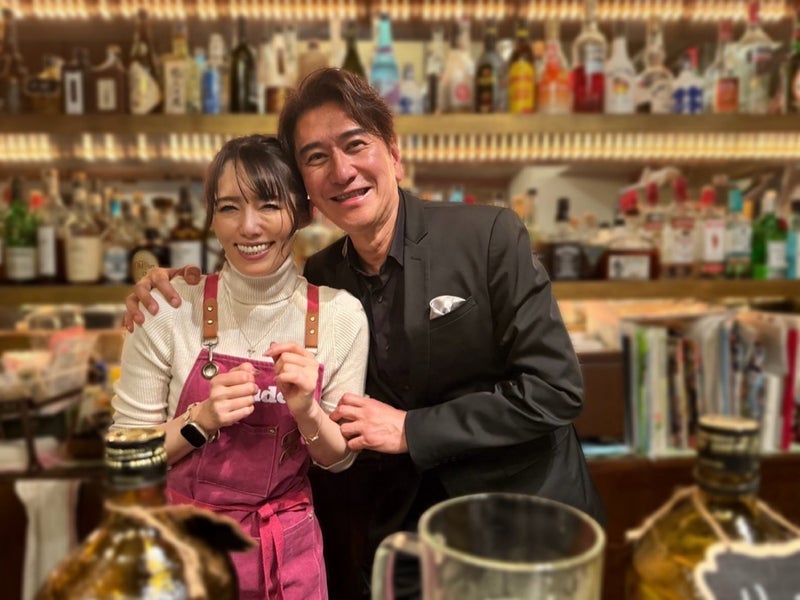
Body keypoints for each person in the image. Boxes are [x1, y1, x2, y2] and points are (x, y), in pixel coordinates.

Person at [123, 68, 605, 599]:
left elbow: (555, 389)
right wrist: (178, 288)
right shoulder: (322, 280)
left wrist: (411, 429)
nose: (342, 170)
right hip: (400, 540)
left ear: (393, 153)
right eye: (316, 157)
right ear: (306, 193)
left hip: (521, 522)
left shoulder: (487, 235)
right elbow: (255, 287)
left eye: (355, 144)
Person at [111, 134, 369, 600]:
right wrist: (200, 421)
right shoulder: (167, 309)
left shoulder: (341, 316)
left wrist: (309, 411)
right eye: (229, 207)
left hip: (288, 559)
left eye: (269, 205)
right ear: (211, 218)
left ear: (303, 212)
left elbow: (339, 459)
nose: (249, 227)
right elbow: (125, 458)